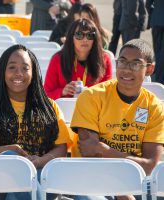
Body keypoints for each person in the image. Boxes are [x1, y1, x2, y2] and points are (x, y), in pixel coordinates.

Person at [0, 44, 72, 200]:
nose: (18, 73)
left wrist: (39, 161)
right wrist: (7, 154)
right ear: (3, 72)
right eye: (12, 67)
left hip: (41, 174)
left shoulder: (50, 107)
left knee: (18, 190)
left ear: (33, 72)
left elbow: (61, 149)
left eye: (25, 68)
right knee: (11, 159)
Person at [71, 39, 164, 199]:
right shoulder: (92, 96)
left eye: (135, 64)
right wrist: (120, 191)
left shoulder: (154, 106)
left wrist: (104, 149)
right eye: (122, 62)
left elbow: (149, 166)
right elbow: (89, 153)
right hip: (93, 178)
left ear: (149, 69)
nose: (126, 70)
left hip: (137, 180)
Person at [44, 18, 112, 100]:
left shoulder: (104, 59)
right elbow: (46, 94)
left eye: (90, 35)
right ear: (71, 37)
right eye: (79, 35)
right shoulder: (57, 59)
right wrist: (62, 91)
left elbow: (108, 93)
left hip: (93, 109)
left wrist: (92, 92)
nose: (85, 39)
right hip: (64, 110)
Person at [146, 0, 164, 84]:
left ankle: (157, 74)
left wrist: (153, 13)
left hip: (156, 20)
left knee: (157, 51)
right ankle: (160, 78)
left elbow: (148, 4)